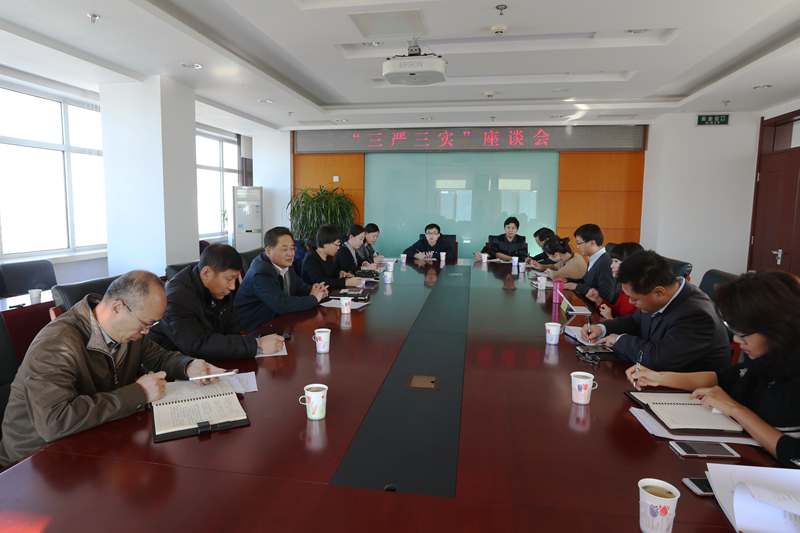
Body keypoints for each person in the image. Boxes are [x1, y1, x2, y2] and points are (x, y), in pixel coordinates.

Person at [0, 270, 225, 467]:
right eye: (145, 323)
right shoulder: (56, 344)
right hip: (35, 462)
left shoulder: (127, 332)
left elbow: (158, 357)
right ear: (117, 308)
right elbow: (54, 422)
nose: (146, 332)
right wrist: (139, 393)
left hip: (90, 440)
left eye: (151, 325)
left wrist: (188, 366)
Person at [626, 271, 800, 469]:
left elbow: (795, 455)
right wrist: (660, 378)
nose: (737, 339)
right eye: (734, 330)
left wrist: (735, 409)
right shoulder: (768, 357)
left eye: (745, 333)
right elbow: (724, 378)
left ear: (779, 329)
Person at [581, 250, 731, 372]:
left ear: (659, 293)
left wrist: (619, 340)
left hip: (692, 393)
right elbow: (634, 321)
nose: (631, 303)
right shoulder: (660, 297)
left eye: (634, 299)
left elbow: (658, 359)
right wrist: (601, 328)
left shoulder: (697, 315)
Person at [147, 244, 285, 360]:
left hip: (207, 361)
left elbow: (232, 330)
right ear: (206, 273)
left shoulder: (219, 290)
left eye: (235, 279)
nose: (232, 286)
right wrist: (256, 345)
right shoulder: (176, 298)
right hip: (170, 368)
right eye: (229, 279)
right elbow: (197, 345)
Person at [234, 227, 329, 332]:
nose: (290, 253)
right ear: (268, 251)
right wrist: (314, 298)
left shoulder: (285, 264)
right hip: (254, 330)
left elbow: (299, 286)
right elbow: (281, 304)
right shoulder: (261, 272)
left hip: (277, 322)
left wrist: (317, 290)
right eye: (284, 249)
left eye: (292, 248)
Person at [584, 242, 644, 320]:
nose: (611, 266)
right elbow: (618, 312)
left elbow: (637, 326)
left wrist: (610, 319)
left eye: (616, 261)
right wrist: (598, 300)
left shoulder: (642, 293)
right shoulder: (625, 286)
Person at [566, 224, 616, 303]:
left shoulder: (605, 262)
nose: (578, 246)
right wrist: (567, 280)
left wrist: (576, 286)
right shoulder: (593, 258)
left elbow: (606, 295)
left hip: (596, 308)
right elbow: (587, 282)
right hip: (587, 302)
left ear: (592, 243)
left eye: (579, 243)